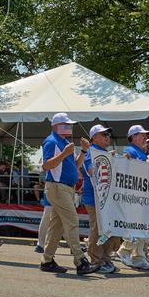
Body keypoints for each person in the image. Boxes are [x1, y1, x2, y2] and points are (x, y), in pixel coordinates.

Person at [38, 113, 97, 275]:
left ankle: (47, 260)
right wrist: (64, 153)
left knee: (57, 226)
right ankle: (80, 261)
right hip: (58, 187)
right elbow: (46, 166)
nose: (70, 127)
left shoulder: (64, 142)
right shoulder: (51, 141)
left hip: (65, 188)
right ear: (57, 126)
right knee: (72, 221)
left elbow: (75, 166)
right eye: (67, 125)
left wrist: (83, 151)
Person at [117, 125, 149, 270]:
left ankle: (139, 256)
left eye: (145, 135)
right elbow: (125, 166)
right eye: (142, 134)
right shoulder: (131, 150)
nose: (145, 137)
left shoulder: (140, 152)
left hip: (142, 196)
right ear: (133, 137)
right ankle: (125, 250)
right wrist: (143, 164)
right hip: (134, 196)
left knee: (142, 227)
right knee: (136, 225)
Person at [82, 124, 120, 274]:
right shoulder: (90, 152)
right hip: (93, 198)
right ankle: (96, 261)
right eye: (104, 135)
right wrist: (108, 159)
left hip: (106, 199)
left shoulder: (104, 153)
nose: (107, 137)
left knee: (109, 229)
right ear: (94, 138)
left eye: (108, 135)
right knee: (97, 230)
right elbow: (91, 171)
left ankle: (105, 258)